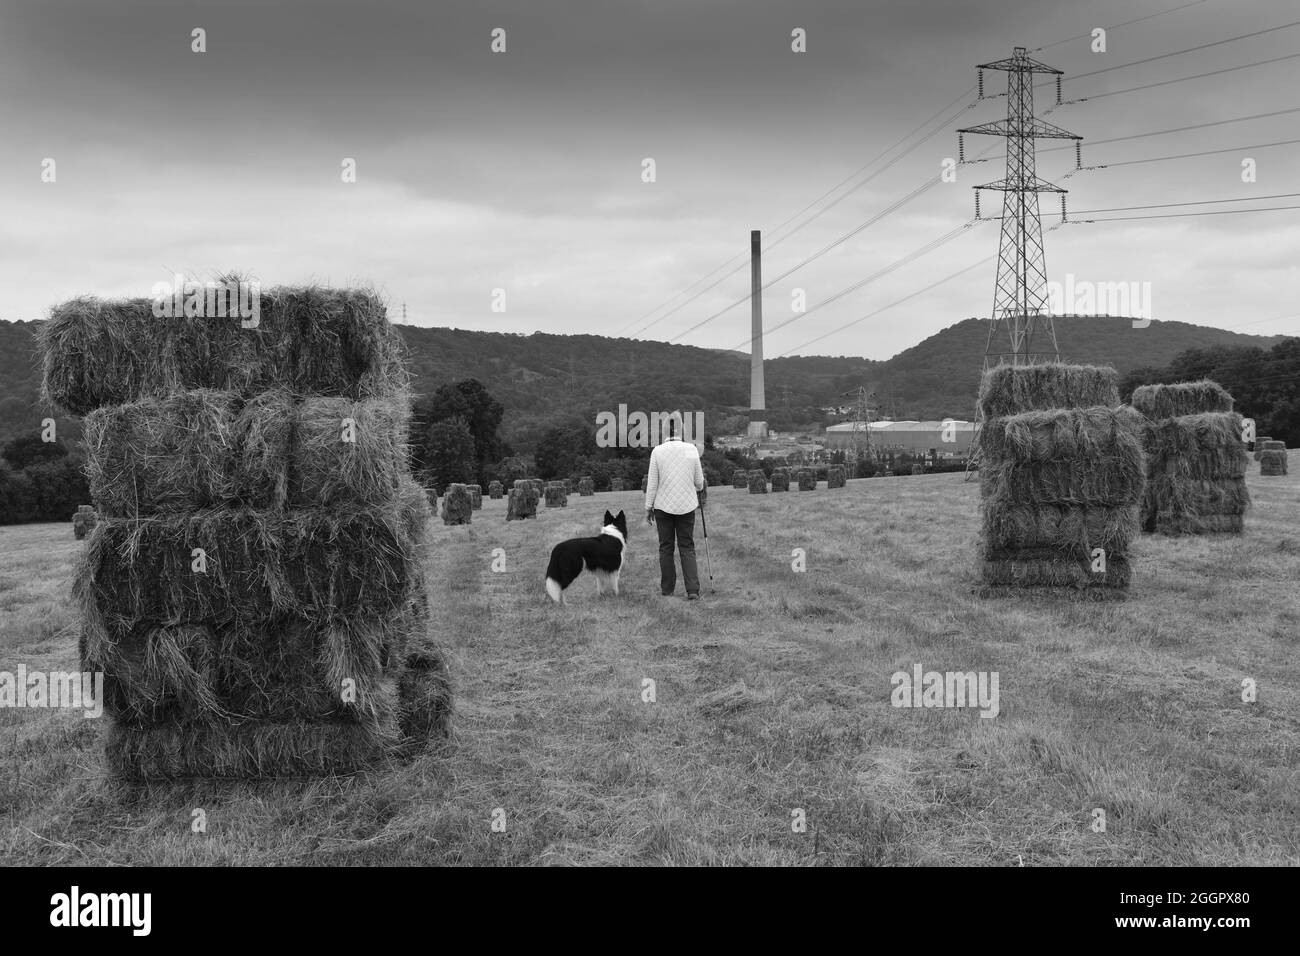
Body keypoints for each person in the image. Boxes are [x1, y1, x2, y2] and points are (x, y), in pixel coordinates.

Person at [644, 412, 706, 599]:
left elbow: (652, 483)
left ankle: (667, 589)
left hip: (663, 507)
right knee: (687, 546)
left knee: (666, 547)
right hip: (687, 506)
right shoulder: (691, 449)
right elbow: (699, 482)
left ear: (663, 431)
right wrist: (699, 486)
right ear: (682, 430)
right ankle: (693, 590)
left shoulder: (657, 451)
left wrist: (648, 508)